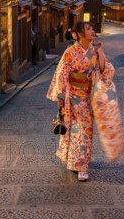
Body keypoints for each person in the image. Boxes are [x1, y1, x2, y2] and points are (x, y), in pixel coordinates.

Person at [46, 21, 115, 182]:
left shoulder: (94, 51)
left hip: (88, 96)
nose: (92, 30)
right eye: (88, 29)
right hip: (72, 97)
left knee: (85, 131)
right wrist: (61, 98)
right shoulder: (70, 53)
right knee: (77, 130)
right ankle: (80, 165)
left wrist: (101, 52)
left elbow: (106, 71)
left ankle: (79, 163)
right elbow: (62, 75)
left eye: (92, 28)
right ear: (79, 34)